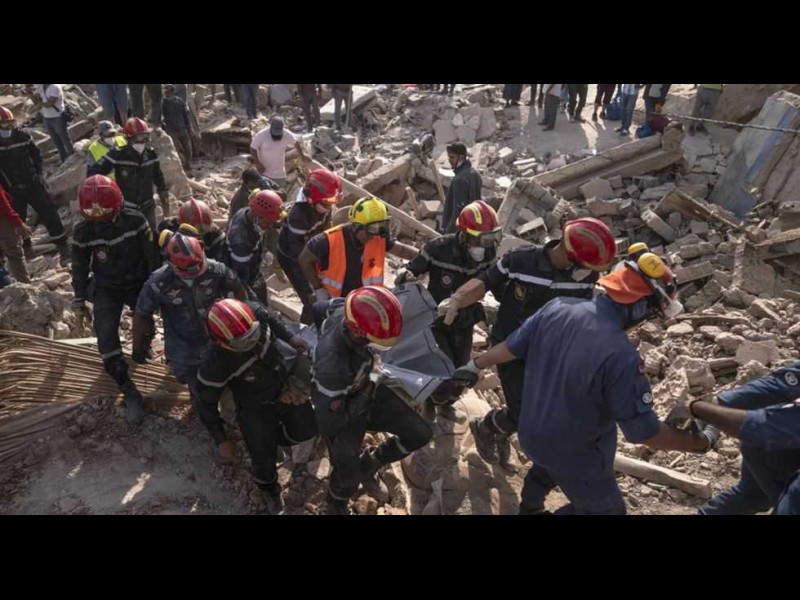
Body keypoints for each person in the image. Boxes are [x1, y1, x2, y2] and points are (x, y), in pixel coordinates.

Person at [453, 252, 716, 514]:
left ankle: (530, 507)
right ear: (638, 305)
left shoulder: (557, 308)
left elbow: (511, 346)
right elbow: (644, 433)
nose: (648, 317)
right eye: (650, 310)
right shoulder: (621, 356)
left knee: (546, 468)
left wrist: (475, 365)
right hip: (578, 455)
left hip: (533, 434)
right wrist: (700, 442)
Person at [441, 217, 616, 469]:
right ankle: (488, 427)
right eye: (585, 265)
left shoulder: (585, 277)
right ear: (570, 254)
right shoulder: (521, 261)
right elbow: (486, 281)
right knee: (526, 410)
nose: (589, 272)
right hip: (509, 345)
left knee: (544, 408)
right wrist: (458, 299)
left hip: (547, 349)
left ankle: (497, 429)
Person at [311, 286, 433, 514]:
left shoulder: (345, 309)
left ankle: (371, 463)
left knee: (420, 433)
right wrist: (372, 382)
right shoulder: (333, 368)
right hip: (345, 410)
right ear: (356, 332)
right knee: (348, 476)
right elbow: (330, 424)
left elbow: (318, 308)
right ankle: (336, 503)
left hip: (366, 387)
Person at [197, 298, 316, 514]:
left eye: (253, 335)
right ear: (221, 343)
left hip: (283, 386)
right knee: (262, 456)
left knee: (307, 427)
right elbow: (205, 403)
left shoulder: (256, 312)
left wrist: (290, 338)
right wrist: (221, 439)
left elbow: (274, 321)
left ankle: (277, 439)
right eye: (243, 342)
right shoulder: (215, 363)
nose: (252, 343)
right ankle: (269, 490)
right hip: (254, 407)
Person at [132, 232, 249, 430]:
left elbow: (239, 291)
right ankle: (210, 424)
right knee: (199, 390)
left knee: (230, 381)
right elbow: (142, 314)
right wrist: (139, 346)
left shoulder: (217, 270)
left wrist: (243, 324)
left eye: (197, 265)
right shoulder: (158, 283)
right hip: (185, 347)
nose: (194, 272)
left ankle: (232, 420)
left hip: (218, 341)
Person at [396, 200, 500, 421]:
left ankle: (446, 405)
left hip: (465, 319)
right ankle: (428, 404)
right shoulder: (438, 248)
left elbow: (494, 281)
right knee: (438, 366)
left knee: (462, 368)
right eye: (481, 239)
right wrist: (405, 275)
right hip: (437, 319)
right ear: (465, 234)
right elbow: (411, 270)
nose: (485, 245)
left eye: (490, 238)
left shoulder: (488, 253)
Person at [71, 175, 157, 424]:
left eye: (105, 213)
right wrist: (79, 300)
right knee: (105, 337)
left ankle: (142, 349)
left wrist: (154, 290)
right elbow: (79, 266)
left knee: (145, 324)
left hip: (138, 283)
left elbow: (151, 256)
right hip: (107, 288)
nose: (100, 219)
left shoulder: (136, 220)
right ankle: (128, 389)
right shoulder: (83, 232)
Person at [692, 361, 800, 515]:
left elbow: (764, 425)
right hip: (770, 446)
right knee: (756, 494)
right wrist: (716, 405)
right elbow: (779, 384)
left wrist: (699, 409)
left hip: (770, 438)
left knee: (768, 497)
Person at [299, 196, 419, 303]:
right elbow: (304, 259)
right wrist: (318, 288)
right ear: (355, 226)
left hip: (363, 303)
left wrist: (424, 255)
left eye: (378, 229)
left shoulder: (378, 237)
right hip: (332, 303)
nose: (373, 236)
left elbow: (403, 251)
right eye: (370, 230)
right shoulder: (329, 240)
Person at [0, 106, 70, 265]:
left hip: (32, 183)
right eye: (4, 124)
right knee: (18, 221)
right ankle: (26, 249)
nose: (8, 127)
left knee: (49, 213)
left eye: (10, 123)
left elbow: (36, 155)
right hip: (12, 190)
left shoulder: (22, 136)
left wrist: (38, 173)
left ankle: (63, 248)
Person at [277, 168, 342, 323]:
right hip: (292, 257)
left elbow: (327, 226)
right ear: (311, 199)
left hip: (311, 246)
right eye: (326, 203)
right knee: (310, 298)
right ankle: (307, 326)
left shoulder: (323, 203)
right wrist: (314, 286)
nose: (329, 207)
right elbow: (300, 257)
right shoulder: (298, 216)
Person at [89, 117, 170, 232]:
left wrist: (165, 205)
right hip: (127, 209)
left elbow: (159, 180)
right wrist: (105, 194)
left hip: (147, 206)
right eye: (139, 136)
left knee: (151, 236)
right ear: (129, 137)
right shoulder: (117, 155)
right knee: (130, 239)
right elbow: (94, 173)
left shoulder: (151, 156)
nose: (143, 141)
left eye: (145, 136)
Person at [223, 190, 286, 304]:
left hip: (252, 266)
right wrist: (253, 301)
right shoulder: (241, 241)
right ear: (258, 217)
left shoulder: (246, 212)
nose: (270, 226)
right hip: (245, 275)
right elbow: (241, 279)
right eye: (268, 222)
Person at [158, 198, 226, 261]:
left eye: (203, 230)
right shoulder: (168, 228)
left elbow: (220, 262)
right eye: (197, 230)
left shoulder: (216, 236)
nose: (199, 234)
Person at [441, 142, 482, 234]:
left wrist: (448, 232)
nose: (449, 160)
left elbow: (458, 210)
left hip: (460, 230)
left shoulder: (460, 179)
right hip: (473, 227)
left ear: (461, 157)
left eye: (452, 157)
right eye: (449, 157)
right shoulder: (475, 174)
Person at [250, 116, 297, 189]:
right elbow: (253, 148)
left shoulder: (287, 134)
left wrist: (303, 155)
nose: (277, 135)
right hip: (264, 172)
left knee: (279, 192)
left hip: (280, 173)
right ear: (271, 127)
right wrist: (258, 163)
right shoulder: (262, 135)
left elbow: (296, 142)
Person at [33, 83, 74, 163]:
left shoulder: (55, 87)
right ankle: (63, 158)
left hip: (57, 116)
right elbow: (36, 102)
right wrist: (30, 94)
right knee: (56, 140)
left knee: (64, 138)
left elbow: (49, 104)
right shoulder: (40, 87)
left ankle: (71, 157)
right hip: (47, 117)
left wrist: (39, 101)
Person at [0, 181, 30, 283]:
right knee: (14, 254)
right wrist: (18, 222)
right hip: (3, 220)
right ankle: (25, 286)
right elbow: (3, 204)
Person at [160, 84, 193, 170]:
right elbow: (160, 117)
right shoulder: (163, 103)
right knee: (175, 150)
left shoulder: (179, 101)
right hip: (172, 130)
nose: (168, 94)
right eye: (167, 92)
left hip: (182, 129)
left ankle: (188, 164)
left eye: (169, 92)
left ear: (172, 92)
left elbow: (185, 116)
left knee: (188, 148)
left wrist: (189, 128)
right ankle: (180, 167)